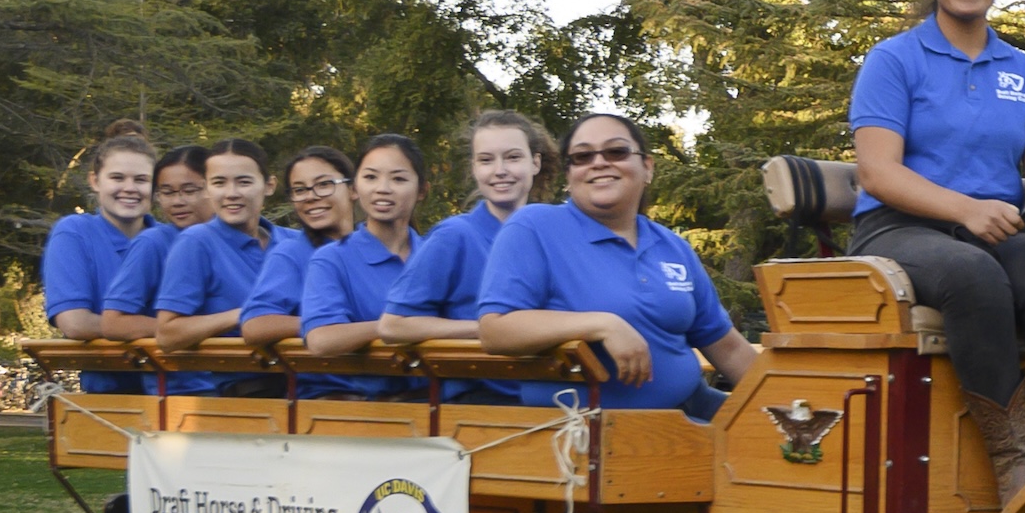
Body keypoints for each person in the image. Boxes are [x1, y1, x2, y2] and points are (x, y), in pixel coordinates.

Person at [844, 0, 1025, 499]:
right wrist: (964, 209)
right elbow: (877, 172)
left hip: (995, 224)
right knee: (974, 277)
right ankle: (1014, 464)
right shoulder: (894, 59)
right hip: (898, 228)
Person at [476, 112, 756, 416]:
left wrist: (785, 403)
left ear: (647, 167)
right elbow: (495, 330)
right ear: (569, 177)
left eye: (616, 152)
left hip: (693, 409)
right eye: (583, 156)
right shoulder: (535, 227)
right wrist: (603, 325)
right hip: (590, 432)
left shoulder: (672, 246)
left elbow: (727, 347)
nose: (599, 162)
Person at [381, 111, 551, 403]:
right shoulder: (455, 236)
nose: (499, 170)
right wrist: (487, 330)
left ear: (535, 163)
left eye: (512, 157)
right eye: (486, 160)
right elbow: (394, 325)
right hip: (479, 401)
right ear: (474, 167)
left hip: (553, 393)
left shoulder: (552, 234)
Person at [151, 139, 305, 393]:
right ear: (208, 189)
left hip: (312, 378)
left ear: (269, 185)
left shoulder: (295, 241)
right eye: (220, 183)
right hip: (248, 388)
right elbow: (168, 334)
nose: (231, 193)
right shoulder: (196, 242)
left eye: (243, 182)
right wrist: (246, 315)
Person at [294, 135, 431, 398]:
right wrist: (393, 328)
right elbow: (321, 339)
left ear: (422, 190)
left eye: (399, 179)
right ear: (355, 188)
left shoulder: (436, 254)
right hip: (367, 407)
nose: (383, 188)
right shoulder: (332, 259)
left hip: (440, 399)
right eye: (371, 177)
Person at [40, 123, 163, 394]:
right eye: (117, 178)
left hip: (185, 392)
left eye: (141, 180)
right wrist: (176, 331)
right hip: (110, 397)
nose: (129, 188)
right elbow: (75, 323)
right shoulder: (75, 233)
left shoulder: (175, 241)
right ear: (95, 181)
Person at [237, 145, 356, 347]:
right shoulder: (292, 253)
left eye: (324, 184)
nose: (310, 196)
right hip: (327, 375)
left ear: (353, 189)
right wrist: (324, 326)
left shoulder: (376, 247)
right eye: (299, 190)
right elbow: (255, 325)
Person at [95, 141, 212, 337]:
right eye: (167, 193)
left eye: (189, 191)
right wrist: (186, 330)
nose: (177, 202)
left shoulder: (262, 239)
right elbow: (114, 322)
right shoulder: (154, 242)